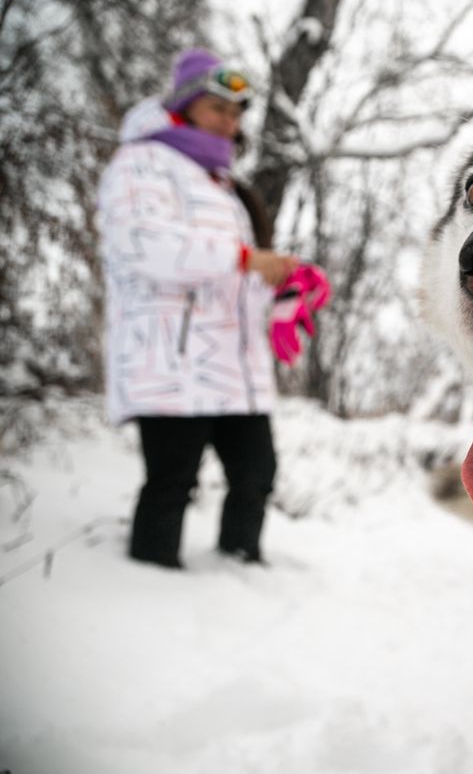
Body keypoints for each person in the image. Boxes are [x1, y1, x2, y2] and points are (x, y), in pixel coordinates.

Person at [97, 49, 297, 568]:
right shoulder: (139, 163)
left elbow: (235, 276)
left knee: (256, 474)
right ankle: (152, 573)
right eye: (218, 108)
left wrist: (284, 288)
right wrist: (247, 258)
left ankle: (239, 566)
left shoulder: (226, 185)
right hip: (172, 361)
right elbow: (144, 245)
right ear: (185, 106)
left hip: (236, 366)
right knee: (172, 480)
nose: (230, 122)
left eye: (236, 113)